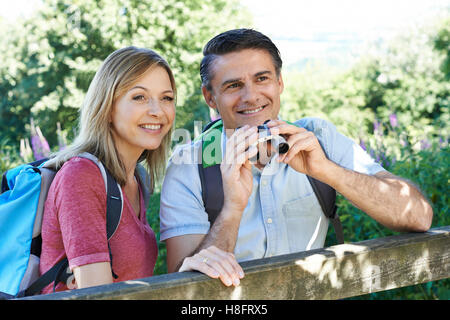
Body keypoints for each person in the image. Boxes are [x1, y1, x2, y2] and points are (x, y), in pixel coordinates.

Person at [159, 28, 434, 288]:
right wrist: (232, 209)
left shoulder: (319, 137)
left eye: (262, 78)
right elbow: (182, 283)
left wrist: (326, 170)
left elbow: (419, 218)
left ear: (279, 83)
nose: (251, 96)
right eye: (233, 85)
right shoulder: (190, 165)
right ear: (210, 97)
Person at [39, 46, 176, 293]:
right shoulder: (81, 175)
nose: (157, 111)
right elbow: (99, 295)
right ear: (108, 108)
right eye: (139, 97)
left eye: (166, 98)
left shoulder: (137, 179)